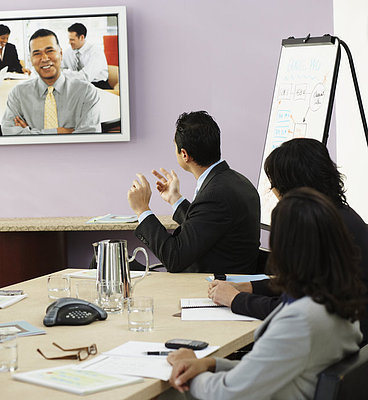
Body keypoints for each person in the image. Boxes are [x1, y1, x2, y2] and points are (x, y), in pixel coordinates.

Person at [168, 188, 364, 399]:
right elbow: (264, 370)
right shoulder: (335, 301)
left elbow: (227, 393)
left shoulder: (301, 320)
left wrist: (186, 370)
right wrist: (211, 364)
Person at [209, 138, 368, 344]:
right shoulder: (341, 215)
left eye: (275, 186)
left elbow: (295, 311)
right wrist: (251, 287)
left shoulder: (319, 229)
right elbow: (304, 286)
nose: (275, 194)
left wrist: (235, 299)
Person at [127, 111, 260, 273]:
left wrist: (142, 209)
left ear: (184, 154)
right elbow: (204, 227)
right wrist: (175, 199)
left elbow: (174, 258)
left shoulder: (215, 194)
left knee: (105, 262)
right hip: (219, 276)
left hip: (212, 286)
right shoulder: (236, 181)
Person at [1, 28, 101, 135]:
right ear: (31, 59)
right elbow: (9, 132)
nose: (44, 58)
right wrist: (61, 132)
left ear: (61, 53)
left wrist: (29, 133)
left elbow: (90, 136)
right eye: (37, 53)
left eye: (50, 50)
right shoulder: (18, 94)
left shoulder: (86, 92)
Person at [61, 22, 111, 89]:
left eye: (72, 40)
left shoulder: (95, 52)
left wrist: (65, 74)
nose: (69, 42)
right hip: (78, 84)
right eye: (69, 39)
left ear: (81, 37)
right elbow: (60, 69)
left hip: (98, 85)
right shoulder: (68, 52)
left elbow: (86, 77)